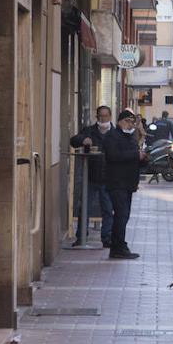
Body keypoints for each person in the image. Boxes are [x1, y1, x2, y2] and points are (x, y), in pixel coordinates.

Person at [103, 109, 147, 259]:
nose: (130, 125)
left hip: (128, 183)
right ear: (119, 122)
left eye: (132, 122)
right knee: (121, 215)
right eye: (127, 121)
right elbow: (114, 156)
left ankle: (118, 246)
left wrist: (143, 158)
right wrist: (136, 155)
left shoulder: (131, 138)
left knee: (124, 216)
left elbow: (133, 157)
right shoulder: (112, 136)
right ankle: (119, 247)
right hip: (117, 183)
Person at [70, 105, 115, 246]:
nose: (103, 118)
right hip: (90, 177)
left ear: (110, 116)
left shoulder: (115, 133)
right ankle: (81, 237)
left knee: (108, 209)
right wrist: (82, 140)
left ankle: (107, 238)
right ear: (97, 117)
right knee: (85, 208)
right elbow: (73, 140)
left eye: (106, 116)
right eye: (101, 116)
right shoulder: (89, 131)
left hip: (108, 178)